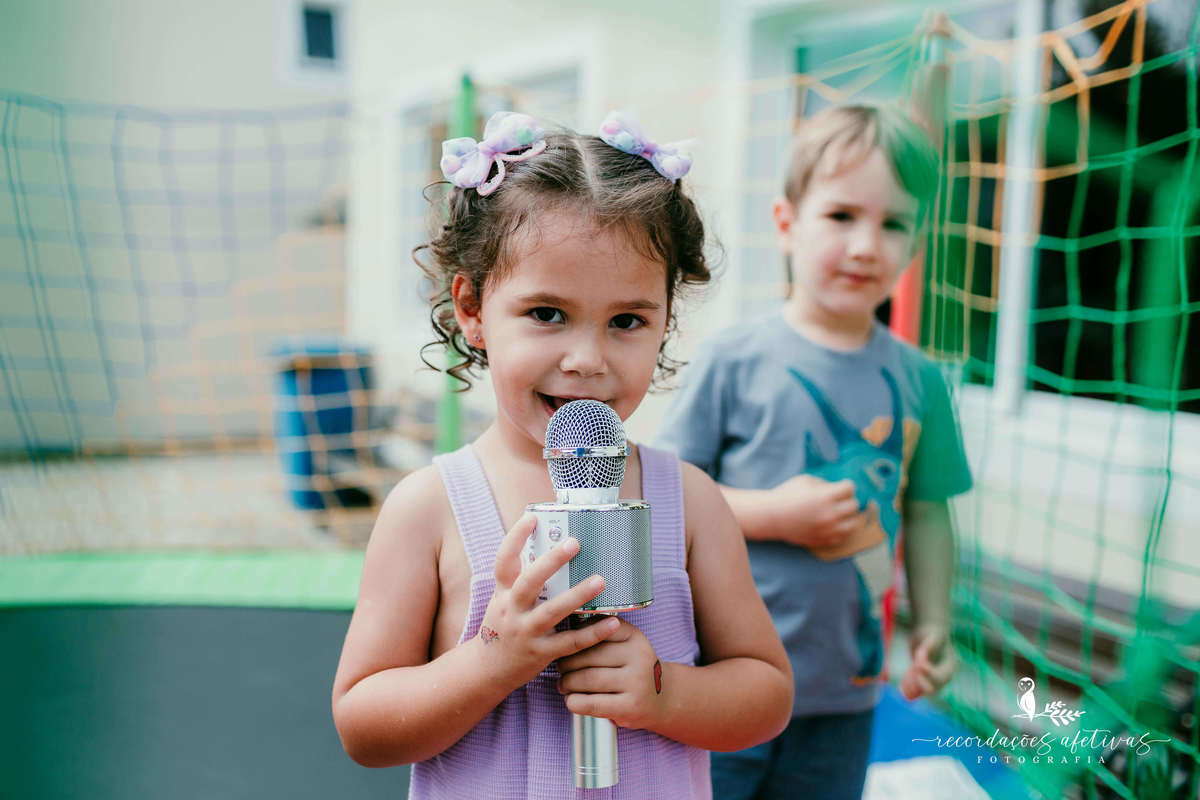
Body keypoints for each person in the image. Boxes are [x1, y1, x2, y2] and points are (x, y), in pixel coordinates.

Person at [332, 110, 792, 800]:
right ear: (473, 310)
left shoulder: (691, 501)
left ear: (666, 322)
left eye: (626, 321)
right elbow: (364, 727)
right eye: (547, 314)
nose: (586, 359)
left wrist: (663, 693)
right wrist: (492, 661)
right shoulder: (427, 509)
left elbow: (766, 693)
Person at [655, 104, 973, 800]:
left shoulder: (921, 381)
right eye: (841, 215)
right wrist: (773, 515)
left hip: (843, 693)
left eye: (894, 224)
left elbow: (928, 511)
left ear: (916, 243)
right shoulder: (735, 359)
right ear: (786, 223)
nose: (866, 246)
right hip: (722, 679)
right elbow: (667, 491)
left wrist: (934, 622)